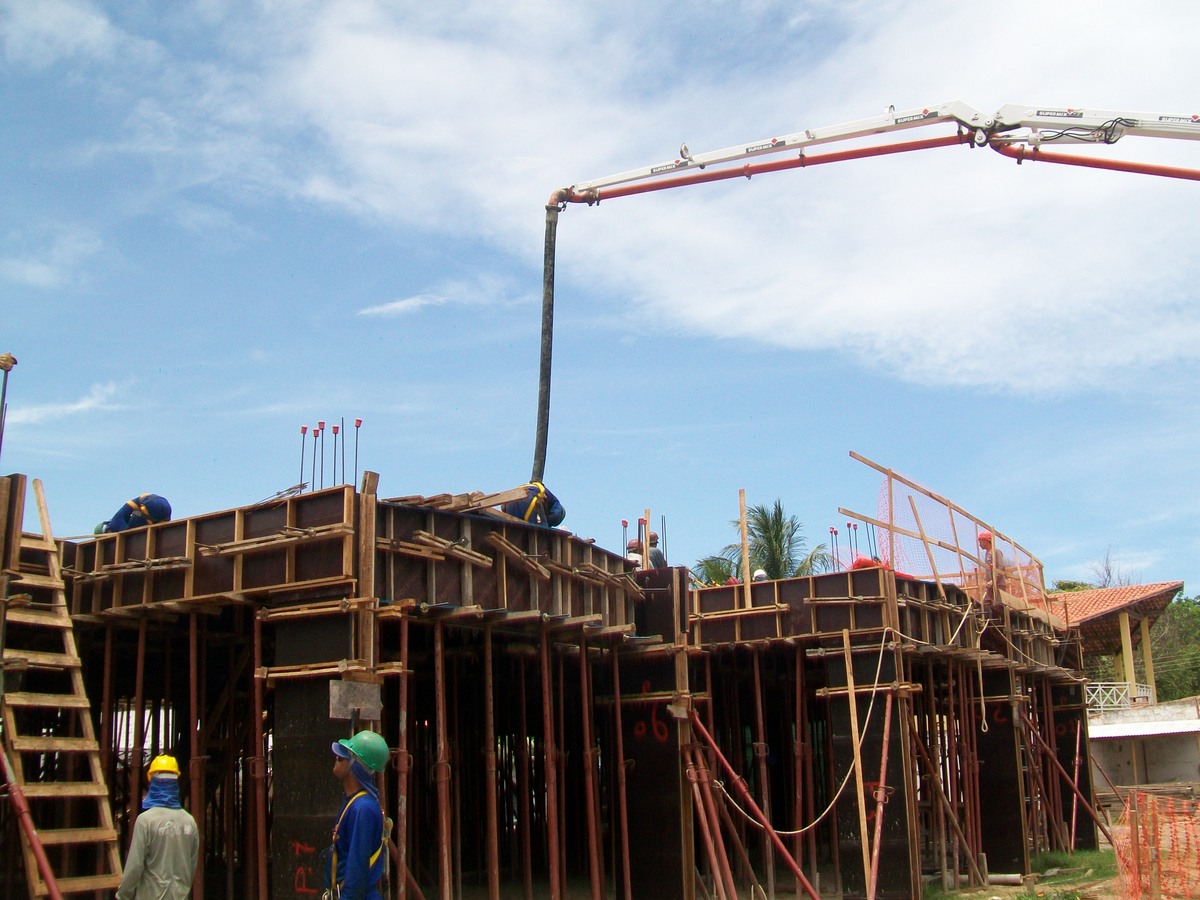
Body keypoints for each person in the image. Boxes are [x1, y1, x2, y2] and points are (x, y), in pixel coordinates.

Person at [116, 754, 199, 900]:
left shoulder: (145, 821)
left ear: (152, 782)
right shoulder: (189, 822)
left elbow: (134, 867)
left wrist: (122, 895)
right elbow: (192, 866)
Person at [327, 730, 390, 900]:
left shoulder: (363, 809)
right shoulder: (355, 803)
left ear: (355, 766)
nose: (336, 759)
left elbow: (357, 869)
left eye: (341, 758)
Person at [97, 493, 172, 534]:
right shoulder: (133, 513)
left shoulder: (114, 525)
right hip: (163, 504)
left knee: (132, 532)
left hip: (151, 504)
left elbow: (126, 532)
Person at [977, 530, 1009, 616]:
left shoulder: (996, 551)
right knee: (986, 604)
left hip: (998, 585)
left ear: (986, 541)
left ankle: (1001, 621)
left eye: (981, 541)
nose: (980, 544)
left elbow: (1001, 567)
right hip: (990, 585)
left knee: (998, 606)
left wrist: (994, 580)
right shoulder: (987, 553)